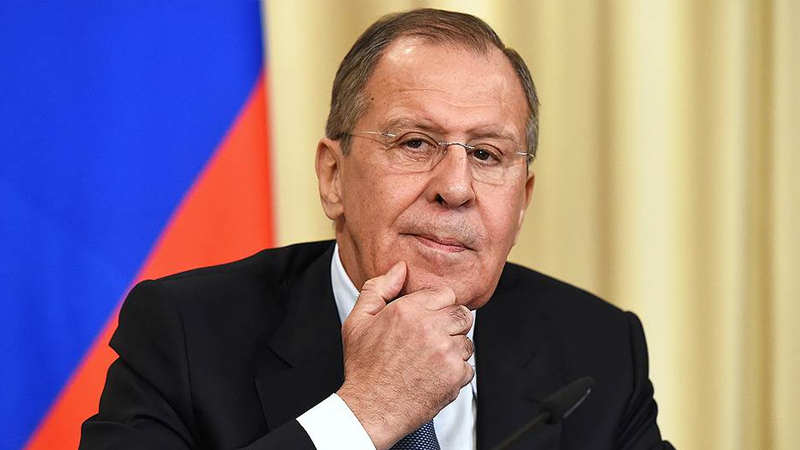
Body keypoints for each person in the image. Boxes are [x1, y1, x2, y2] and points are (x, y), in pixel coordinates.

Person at [80, 8, 673, 450]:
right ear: (333, 177)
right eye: (414, 143)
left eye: (487, 155)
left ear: (521, 203)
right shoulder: (186, 334)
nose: (456, 187)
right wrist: (365, 413)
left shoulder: (597, 351)